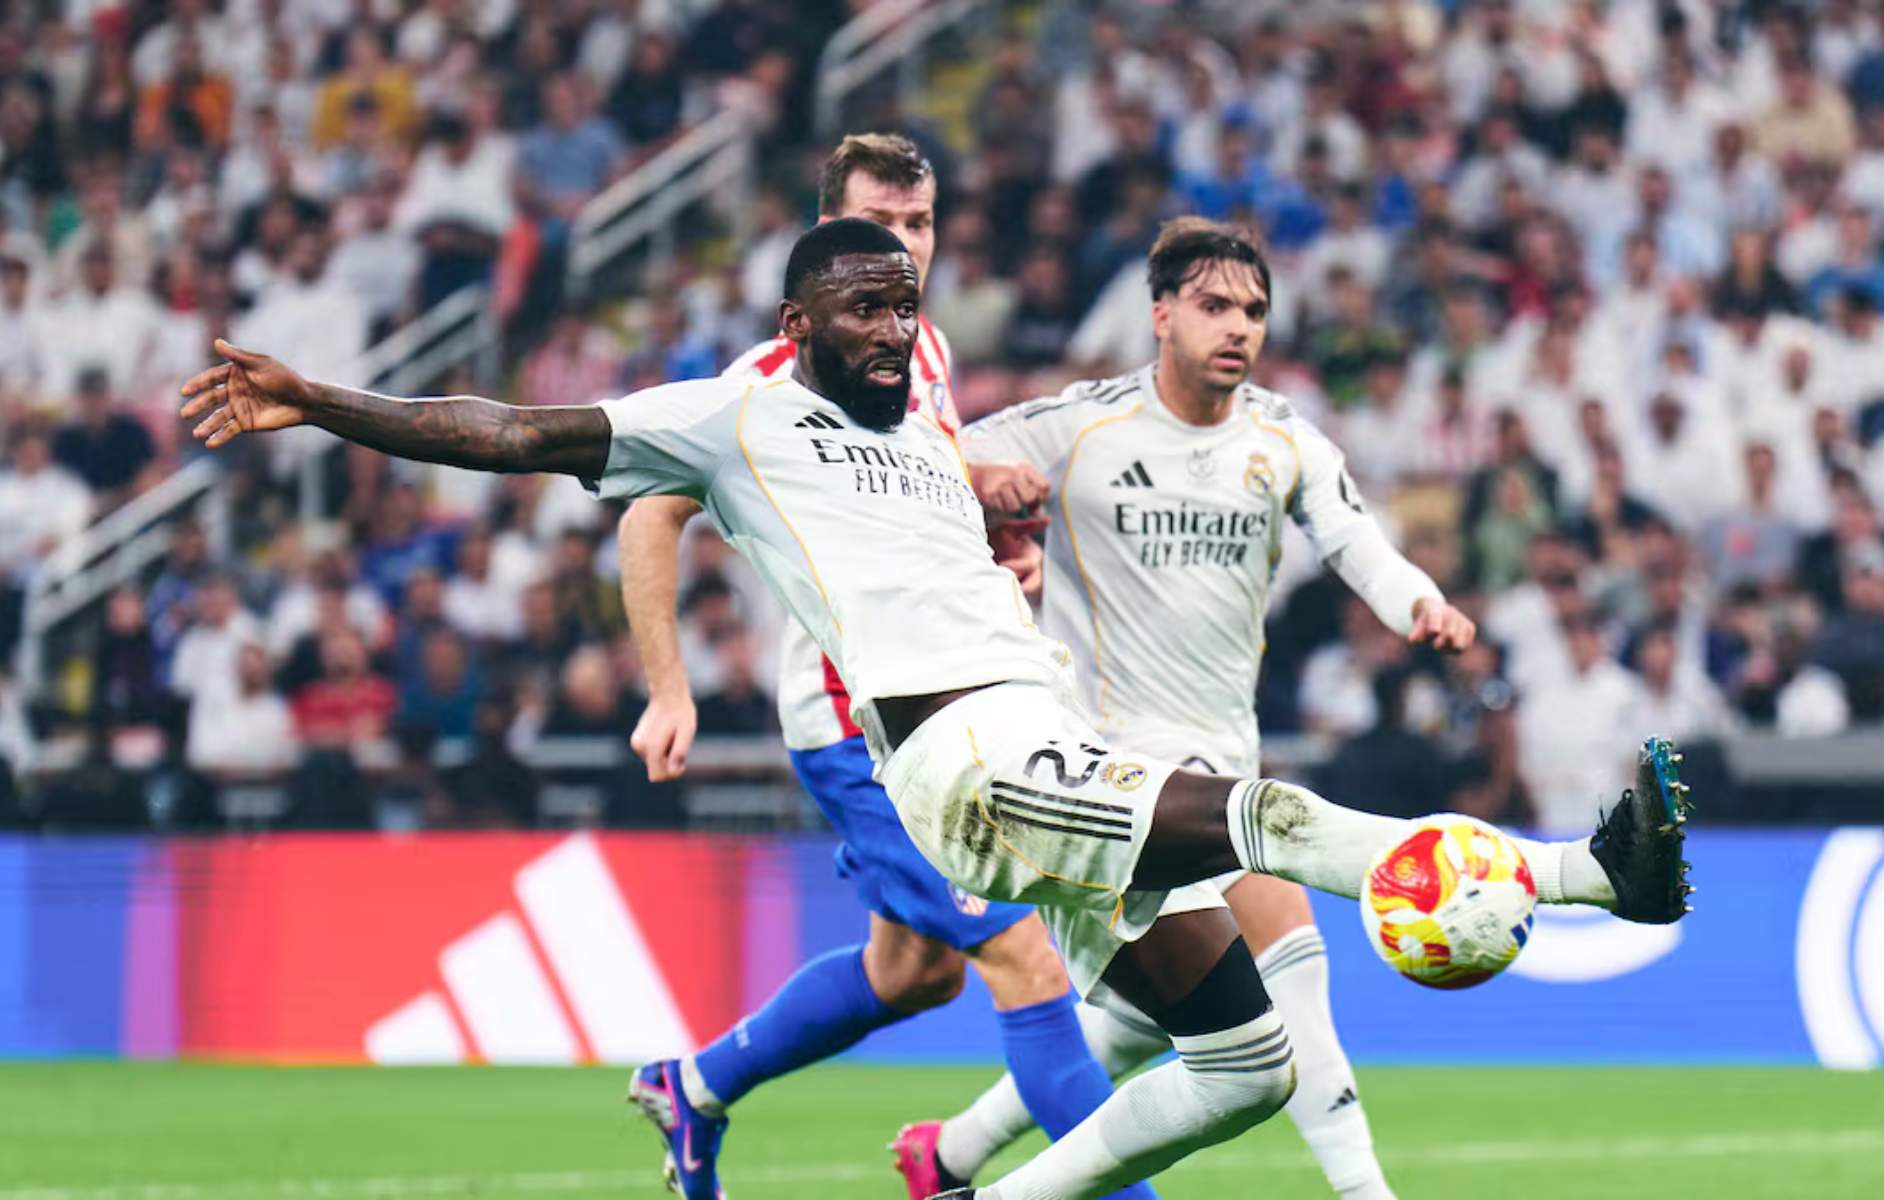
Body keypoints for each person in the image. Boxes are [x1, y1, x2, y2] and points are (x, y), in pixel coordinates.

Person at [179, 217, 1692, 1200]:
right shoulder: (735, 413)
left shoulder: (935, 427)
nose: (892, 325)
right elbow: (510, 428)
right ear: (799, 315)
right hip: (960, 755)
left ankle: (982, 1192)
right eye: (861, 305)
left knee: (1242, 1066)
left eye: (904, 302)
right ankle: (1587, 874)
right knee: (1257, 820)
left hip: (1039, 742)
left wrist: (1005, 516)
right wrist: (321, 400)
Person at [613, 132, 1143, 1200]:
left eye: (919, 227)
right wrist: (668, 687)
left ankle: (695, 1085)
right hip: (857, 721)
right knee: (1026, 967)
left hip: (939, 705)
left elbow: (918, 493)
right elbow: (648, 512)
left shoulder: (921, 350)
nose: (904, 249)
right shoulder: (766, 384)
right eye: (882, 228)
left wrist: (995, 528)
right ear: (826, 239)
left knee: (915, 973)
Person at [924, 219, 1462, 1200]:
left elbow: (1353, 538)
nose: (1239, 328)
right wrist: (981, 479)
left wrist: (1414, 601)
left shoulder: (1279, 437)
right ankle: (1365, 1194)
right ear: (1160, 314)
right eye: (1215, 306)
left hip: (1217, 768)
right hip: (1105, 779)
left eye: (1254, 311)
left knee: (1164, 1012)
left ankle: (955, 1154)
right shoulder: (1083, 423)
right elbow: (939, 455)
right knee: (1288, 959)